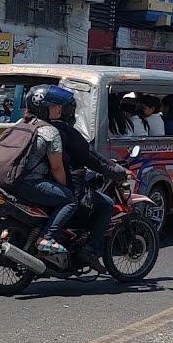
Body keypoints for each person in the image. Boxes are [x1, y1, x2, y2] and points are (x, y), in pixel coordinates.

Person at [53, 97, 128, 271]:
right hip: (67, 186)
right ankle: (89, 250)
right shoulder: (64, 132)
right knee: (107, 204)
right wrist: (117, 172)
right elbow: (91, 159)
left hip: (40, 183)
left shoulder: (34, 126)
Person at [9, 84, 78, 256]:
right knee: (69, 200)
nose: (59, 108)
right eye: (55, 105)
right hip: (30, 182)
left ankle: (8, 232)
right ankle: (46, 238)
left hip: (9, 180)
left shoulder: (20, 123)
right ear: (44, 109)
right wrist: (66, 188)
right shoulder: (50, 131)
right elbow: (56, 167)